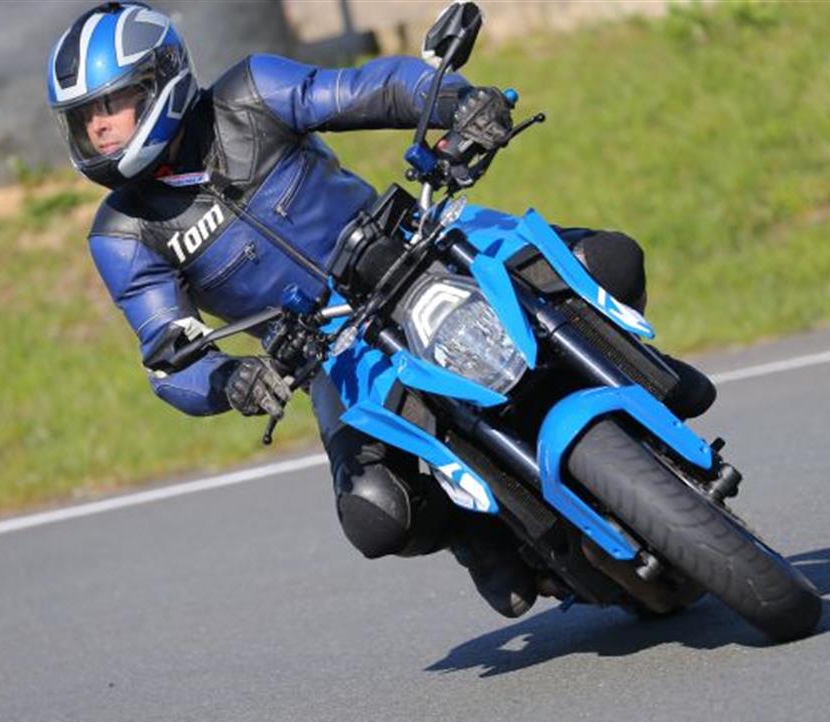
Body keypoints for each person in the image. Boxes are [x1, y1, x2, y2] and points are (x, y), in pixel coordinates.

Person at [47, 1, 715, 618]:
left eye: (112, 103)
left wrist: (458, 103)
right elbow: (168, 351)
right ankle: (477, 532)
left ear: (160, 81)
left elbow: (376, 89)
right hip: (328, 348)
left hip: (415, 245)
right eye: (84, 116)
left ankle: (637, 375)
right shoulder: (123, 235)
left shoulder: (250, 93)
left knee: (608, 260)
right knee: (375, 513)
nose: (98, 126)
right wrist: (230, 379)